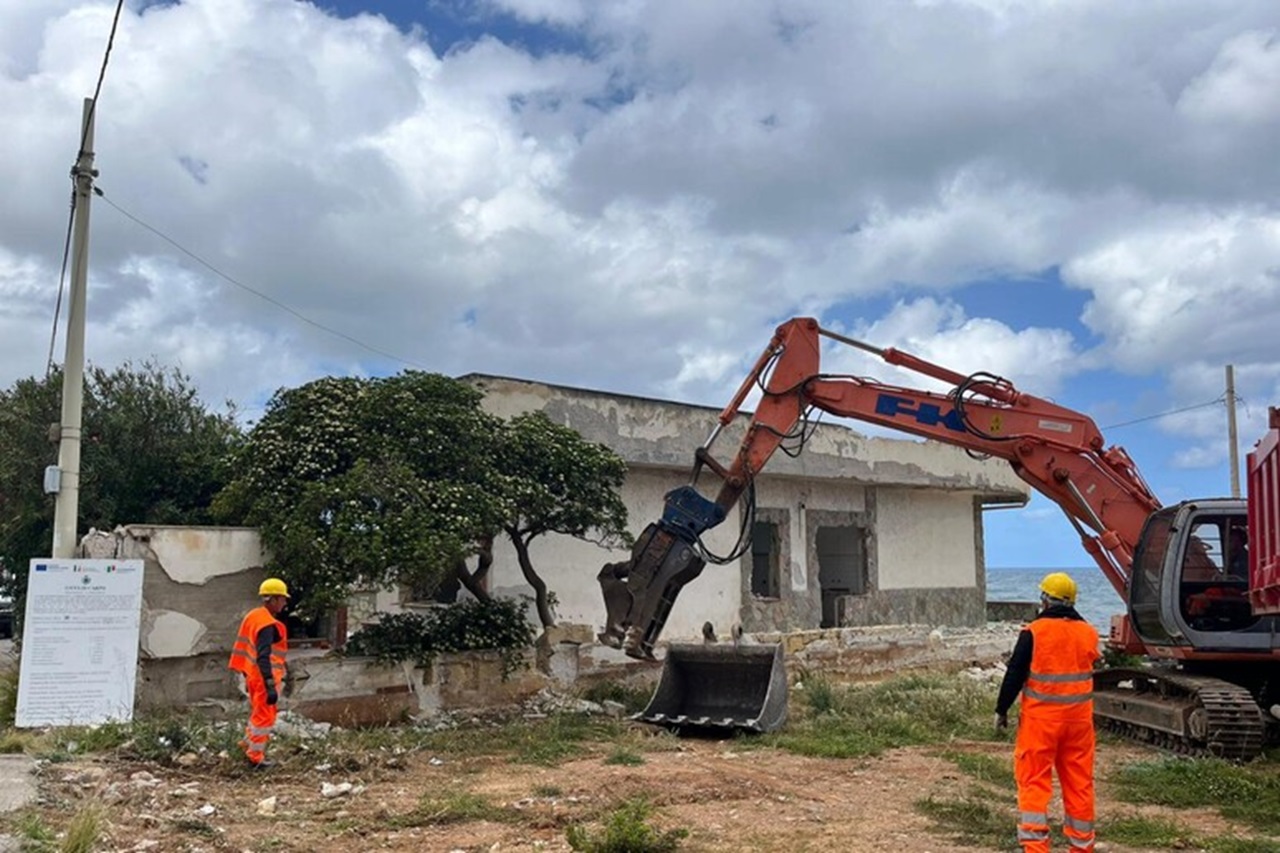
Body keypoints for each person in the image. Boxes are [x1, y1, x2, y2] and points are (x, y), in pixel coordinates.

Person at [994, 572, 1100, 852]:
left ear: (1045, 600)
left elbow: (1015, 673)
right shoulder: (1088, 632)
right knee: (1079, 783)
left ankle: (1037, 847)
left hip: (1040, 723)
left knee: (1034, 781)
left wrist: (1001, 709)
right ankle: (1081, 847)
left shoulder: (1034, 632)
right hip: (1079, 723)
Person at [228, 577, 290, 768]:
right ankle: (255, 757)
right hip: (264, 677)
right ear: (272, 599)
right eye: (282, 599)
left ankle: (247, 745)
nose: (284, 603)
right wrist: (270, 684)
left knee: (257, 714)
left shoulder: (254, 616)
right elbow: (263, 656)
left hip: (254, 675)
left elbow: (249, 651)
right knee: (264, 717)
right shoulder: (267, 625)